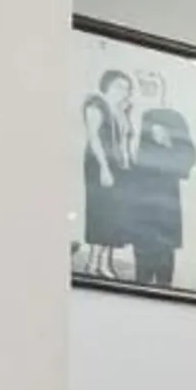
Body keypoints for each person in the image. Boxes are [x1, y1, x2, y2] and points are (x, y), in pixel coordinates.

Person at [120, 103, 196, 289]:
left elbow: (189, 155)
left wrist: (168, 143)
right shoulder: (138, 125)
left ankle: (163, 285)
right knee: (143, 250)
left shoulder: (173, 121)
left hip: (166, 202)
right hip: (141, 202)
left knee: (165, 250)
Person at [78, 67, 137, 273]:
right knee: (101, 214)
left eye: (128, 88)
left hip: (119, 166)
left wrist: (128, 164)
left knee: (113, 217)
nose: (125, 91)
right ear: (108, 85)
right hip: (99, 164)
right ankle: (93, 264)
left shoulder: (120, 109)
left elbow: (125, 139)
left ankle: (104, 264)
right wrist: (104, 168)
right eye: (120, 86)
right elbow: (93, 138)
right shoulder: (95, 105)